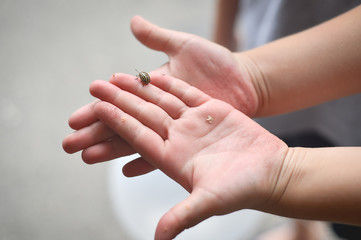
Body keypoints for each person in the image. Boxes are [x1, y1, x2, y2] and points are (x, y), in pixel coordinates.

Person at [62, 5, 361, 240]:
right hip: (282, 67)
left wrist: (284, 177)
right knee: (294, 138)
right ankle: (302, 232)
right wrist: (252, 76)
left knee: (345, 225)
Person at [213, 0, 361, 239]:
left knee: (348, 223)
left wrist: (253, 75)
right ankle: (302, 232)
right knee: (285, 144)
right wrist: (238, 61)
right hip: (267, 57)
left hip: (351, 111)